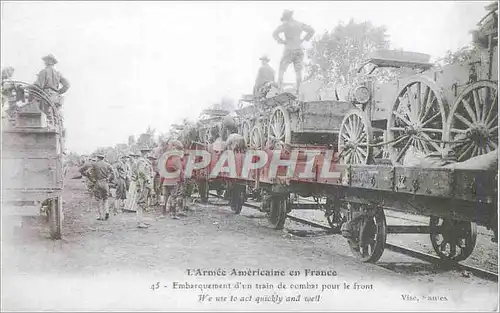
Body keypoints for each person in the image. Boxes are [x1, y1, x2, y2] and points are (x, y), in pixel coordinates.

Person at [272, 10, 315, 94]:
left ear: (286, 18)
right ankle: (299, 91)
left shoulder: (285, 25)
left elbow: (274, 33)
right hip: (299, 49)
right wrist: (304, 39)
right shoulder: (300, 24)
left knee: (281, 70)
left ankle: (279, 90)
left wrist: (281, 41)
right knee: (298, 71)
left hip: (289, 49)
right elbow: (311, 30)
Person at [161, 139, 185, 220]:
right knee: (173, 198)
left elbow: (162, 172)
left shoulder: (165, 158)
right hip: (174, 181)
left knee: (165, 198)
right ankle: (173, 214)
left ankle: (163, 214)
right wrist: (182, 180)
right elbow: (181, 171)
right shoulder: (177, 158)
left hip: (165, 182)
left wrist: (161, 181)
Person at [90, 154, 115, 220]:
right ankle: (107, 212)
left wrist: (93, 179)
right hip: (105, 183)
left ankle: (101, 215)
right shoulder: (107, 165)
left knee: (98, 200)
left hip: (98, 182)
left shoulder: (95, 165)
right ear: (103, 158)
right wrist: (109, 179)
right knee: (105, 199)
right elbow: (113, 172)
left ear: (98, 158)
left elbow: (89, 172)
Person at [134, 147, 153, 228]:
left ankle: (140, 221)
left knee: (141, 203)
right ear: (145, 152)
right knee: (141, 203)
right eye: (147, 152)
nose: (149, 153)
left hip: (142, 184)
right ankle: (140, 222)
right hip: (143, 184)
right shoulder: (142, 161)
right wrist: (147, 178)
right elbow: (141, 171)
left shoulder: (142, 161)